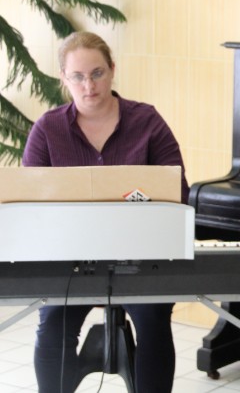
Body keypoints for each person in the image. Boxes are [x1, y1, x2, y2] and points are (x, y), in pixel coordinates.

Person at [22, 31, 190, 393]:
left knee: (154, 319)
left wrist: (136, 200)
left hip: (139, 256)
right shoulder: (47, 129)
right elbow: (27, 207)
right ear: (64, 78)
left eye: (97, 73)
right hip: (67, 260)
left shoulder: (147, 121)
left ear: (112, 69)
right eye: (78, 77)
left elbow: (178, 191)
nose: (89, 86)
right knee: (52, 325)